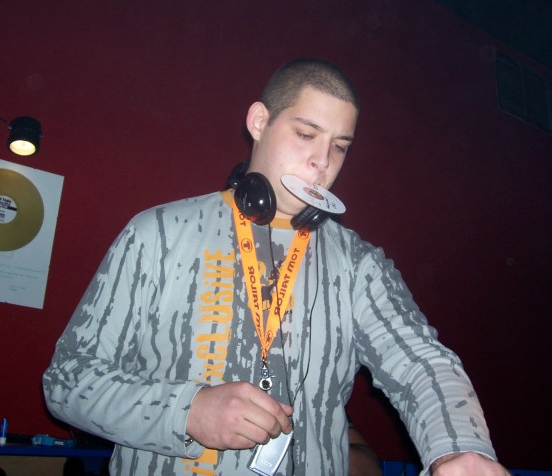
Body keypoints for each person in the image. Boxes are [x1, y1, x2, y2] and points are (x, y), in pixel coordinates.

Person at [43, 59, 510, 476]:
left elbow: (421, 362)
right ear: (259, 121)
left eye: (340, 146)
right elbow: (67, 380)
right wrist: (187, 411)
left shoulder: (358, 264)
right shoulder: (157, 233)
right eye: (306, 134)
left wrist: (460, 449)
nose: (322, 162)